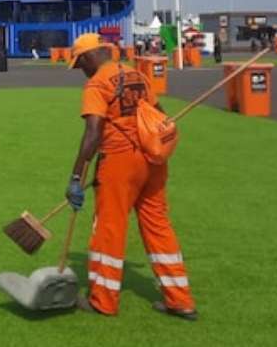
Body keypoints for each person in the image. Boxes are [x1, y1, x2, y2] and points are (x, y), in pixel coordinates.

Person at [65, 33, 197, 320]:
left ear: (88, 56)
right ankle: (180, 300)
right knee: (158, 225)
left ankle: (103, 300)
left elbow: (93, 133)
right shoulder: (137, 75)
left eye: (79, 64)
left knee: (109, 229)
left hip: (120, 164)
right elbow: (159, 115)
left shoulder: (97, 83)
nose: (81, 71)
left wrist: (76, 177)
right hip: (153, 161)